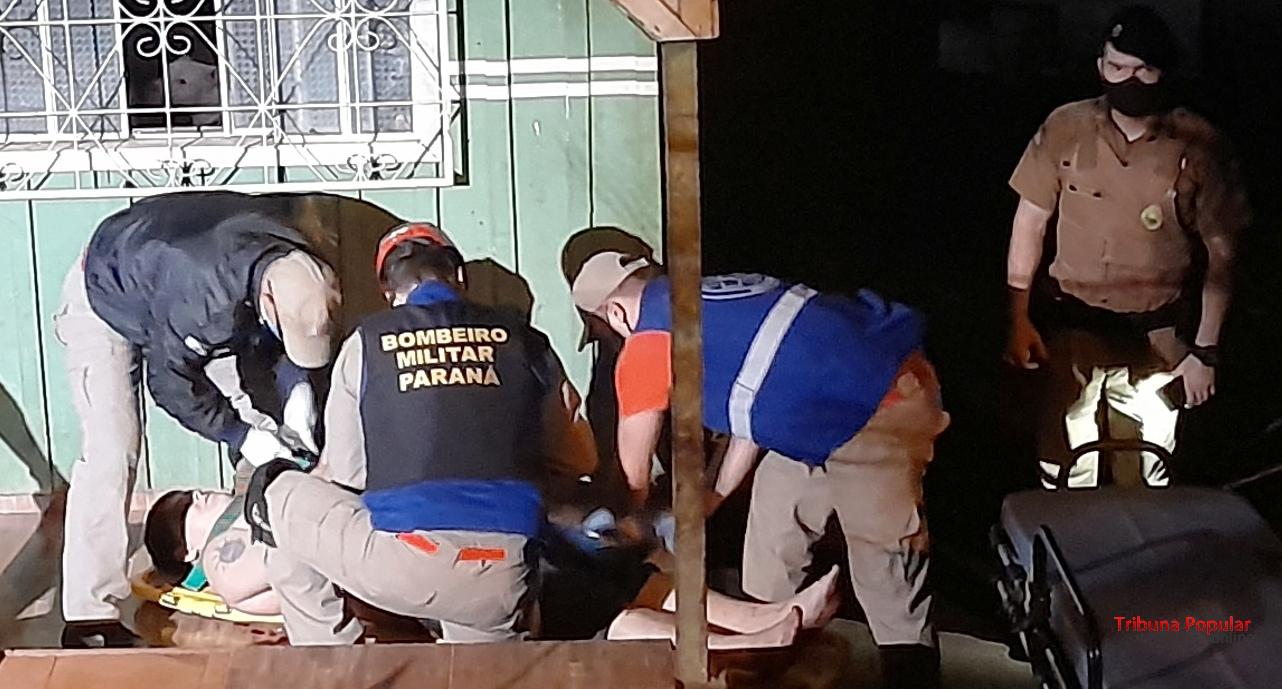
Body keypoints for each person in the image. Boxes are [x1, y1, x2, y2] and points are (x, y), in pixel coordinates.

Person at [571, 252, 951, 688]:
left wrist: (627, 530)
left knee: (886, 575)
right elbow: (754, 411)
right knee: (773, 534)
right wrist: (709, 501)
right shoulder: (714, 297)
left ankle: (911, 679)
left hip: (879, 407)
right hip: (821, 413)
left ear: (616, 313)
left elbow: (632, 477)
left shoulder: (649, 341)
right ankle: (768, 645)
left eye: (605, 329)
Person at [239, 223, 598, 645]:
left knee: (274, 492)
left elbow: (346, 475)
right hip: (505, 573)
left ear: (388, 293)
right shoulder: (528, 342)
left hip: (409, 560)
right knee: (480, 661)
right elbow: (581, 459)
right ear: (459, 278)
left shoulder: (367, 343)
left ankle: (333, 663)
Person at [56, 191, 342, 648]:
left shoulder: (300, 262)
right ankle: (90, 617)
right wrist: (239, 434)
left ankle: (262, 533)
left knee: (266, 415)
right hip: (108, 290)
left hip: (184, 276)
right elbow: (169, 383)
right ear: (265, 300)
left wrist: (298, 390)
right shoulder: (206, 300)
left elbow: (295, 332)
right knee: (113, 448)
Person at [1004, 5, 1251, 489]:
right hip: (1076, 328)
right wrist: (1017, 317)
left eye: (1144, 70)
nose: (1130, 80)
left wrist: (1206, 351)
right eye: (1118, 67)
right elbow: (1029, 222)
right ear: (1101, 66)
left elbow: (1224, 255)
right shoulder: (1066, 128)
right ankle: (1069, 555)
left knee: (1149, 466)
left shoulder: (1199, 145)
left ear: (1164, 73)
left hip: (1158, 338)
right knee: (1065, 461)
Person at [143, 488, 840, 650]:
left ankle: (768, 615)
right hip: (409, 580)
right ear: (184, 543)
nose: (210, 495)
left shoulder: (258, 503)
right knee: (586, 606)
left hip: (414, 538)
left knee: (603, 567)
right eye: (195, 501)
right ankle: (740, 643)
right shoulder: (223, 554)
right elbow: (257, 586)